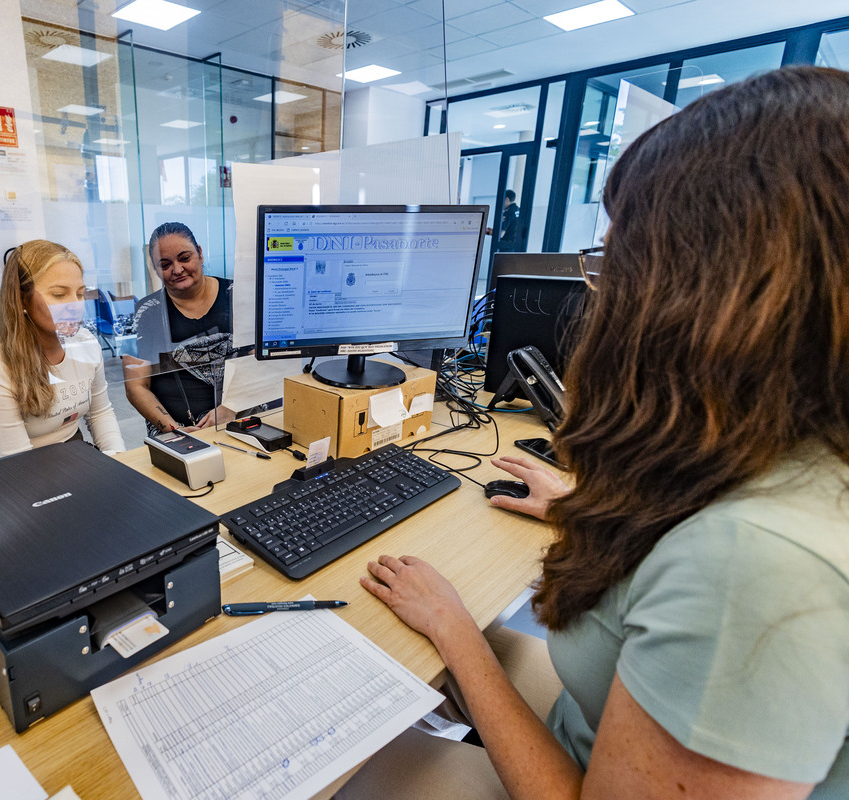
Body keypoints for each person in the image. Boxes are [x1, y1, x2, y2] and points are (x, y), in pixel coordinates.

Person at [349, 66, 849, 799]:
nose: (603, 291)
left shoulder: (760, 563)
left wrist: (455, 632)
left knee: (358, 765)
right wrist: (590, 515)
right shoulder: (798, 454)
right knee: (428, 653)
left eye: (620, 260)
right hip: (600, 724)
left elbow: (728, 578)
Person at [0, 240, 123, 462]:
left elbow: (100, 413)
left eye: (80, 293)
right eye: (58, 295)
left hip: (73, 454)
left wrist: (118, 461)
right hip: (14, 475)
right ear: (21, 298)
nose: (75, 305)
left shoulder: (84, 342)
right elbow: (18, 465)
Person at [123, 222, 235, 433]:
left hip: (239, 420)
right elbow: (136, 386)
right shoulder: (145, 313)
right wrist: (172, 429)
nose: (177, 270)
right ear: (155, 269)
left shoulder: (237, 296)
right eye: (165, 265)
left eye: (185, 258)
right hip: (175, 432)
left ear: (200, 253)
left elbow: (262, 367)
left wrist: (233, 407)